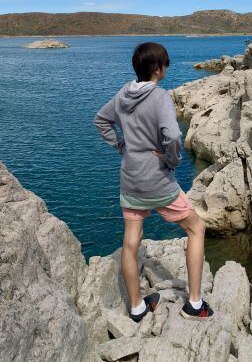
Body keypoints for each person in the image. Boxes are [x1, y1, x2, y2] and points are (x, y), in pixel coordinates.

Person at [94, 42, 214, 321]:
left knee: (131, 242)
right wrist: (171, 160)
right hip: (157, 181)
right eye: (165, 63)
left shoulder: (123, 94)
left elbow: (100, 120)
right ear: (157, 68)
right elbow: (172, 136)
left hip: (131, 180)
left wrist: (122, 146)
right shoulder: (160, 97)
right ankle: (194, 304)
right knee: (197, 228)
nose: (167, 67)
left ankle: (137, 307)